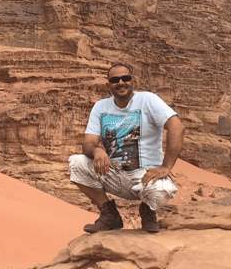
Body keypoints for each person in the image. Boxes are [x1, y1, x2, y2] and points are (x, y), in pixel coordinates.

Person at [68, 63, 185, 233]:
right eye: (115, 80)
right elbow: (88, 142)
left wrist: (166, 167)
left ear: (134, 82)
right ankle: (109, 215)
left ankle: (148, 210)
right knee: (76, 163)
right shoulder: (101, 107)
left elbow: (177, 127)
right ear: (108, 85)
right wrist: (97, 150)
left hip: (144, 175)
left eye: (126, 78)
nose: (121, 82)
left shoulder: (147, 100)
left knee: (161, 190)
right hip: (113, 173)